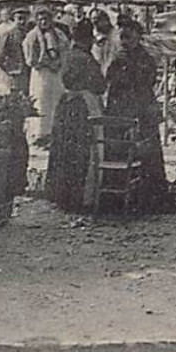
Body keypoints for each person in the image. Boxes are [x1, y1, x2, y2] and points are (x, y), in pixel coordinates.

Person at [105, 16, 169, 210]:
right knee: (119, 148)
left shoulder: (146, 59)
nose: (124, 42)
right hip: (120, 108)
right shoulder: (117, 57)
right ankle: (118, 196)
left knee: (146, 152)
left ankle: (149, 197)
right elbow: (109, 80)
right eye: (122, 38)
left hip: (141, 108)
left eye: (129, 38)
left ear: (138, 37)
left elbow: (146, 82)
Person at [46, 18, 109, 211]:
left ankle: (61, 195)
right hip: (83, 106)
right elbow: (99, 85)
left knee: (64, 149)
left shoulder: (68, 55)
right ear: (88, 40)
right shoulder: (86, 59)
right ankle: (80, 197)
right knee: (84, 150)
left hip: (66, 104)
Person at [23, 8, 65, 145]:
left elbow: (65, 50)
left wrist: (57, 62)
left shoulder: (58, 34)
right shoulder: (32, 36)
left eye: (46, 19)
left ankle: (53, 132)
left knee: (55, 100)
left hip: (55, 73)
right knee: (40, 101)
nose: (43, 22)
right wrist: (43, 62)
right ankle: (39, 133)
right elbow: (29, 58)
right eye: (40, 19)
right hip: (40, 74)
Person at [92, 10, 121, 75]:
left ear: (106, 21)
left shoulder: (116, 35)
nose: (96, 26)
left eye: (98, 22)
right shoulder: (97, 37)